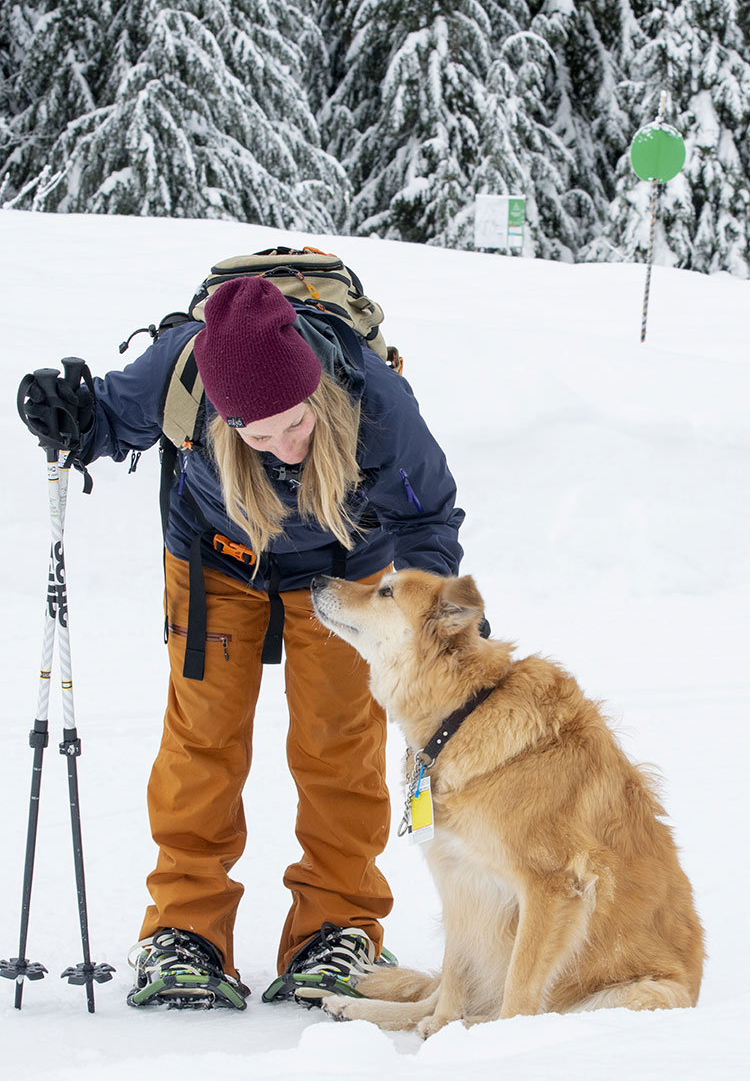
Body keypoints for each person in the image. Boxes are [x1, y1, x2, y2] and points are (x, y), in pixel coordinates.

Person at [20, 273, 464, 1011]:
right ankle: (185, 930)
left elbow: (428, 520)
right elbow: (108, 419)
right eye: (256, 435)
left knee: (339, 742)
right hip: (214, 557)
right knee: (203, 739)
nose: (283, 447)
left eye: (296, 424)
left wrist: (420, 615)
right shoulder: (180, 369)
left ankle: (336, 927)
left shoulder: (373, 400)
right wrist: (67, 414)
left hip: (344, 565)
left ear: (315, 389)